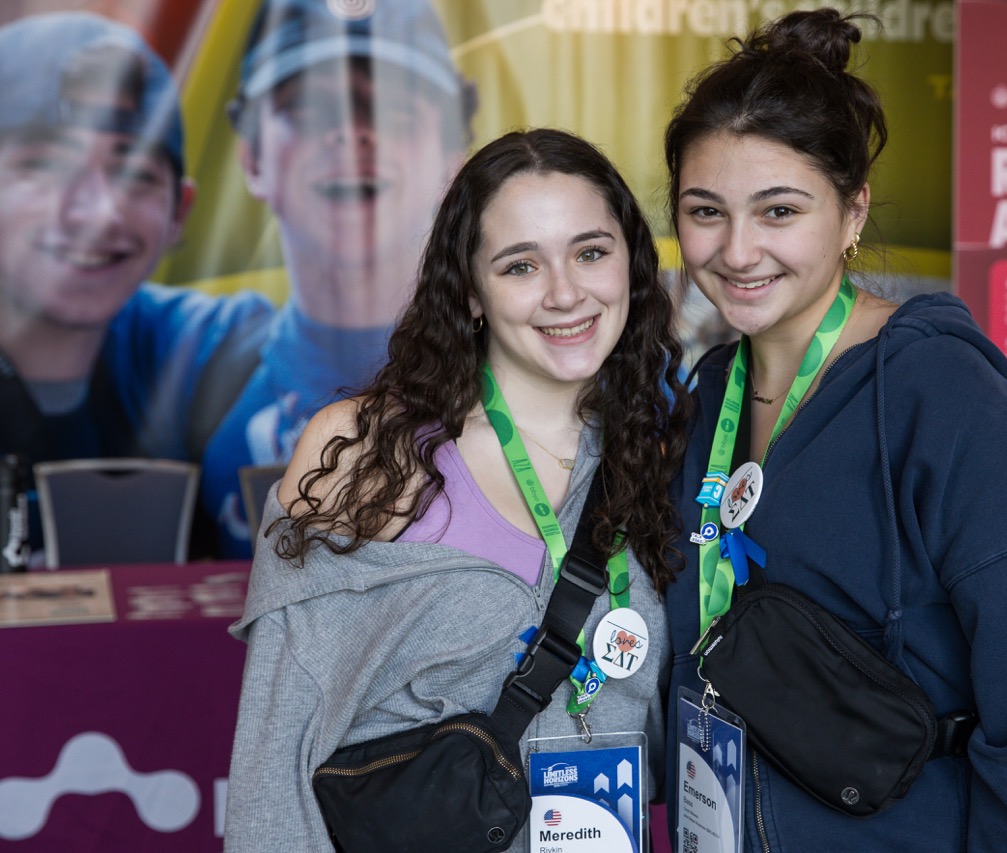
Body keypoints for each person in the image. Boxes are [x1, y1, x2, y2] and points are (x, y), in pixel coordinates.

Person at [661, 9, 1007, 850]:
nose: (738, 250)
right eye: (705, 210)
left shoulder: (939, 393)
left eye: (779, 211)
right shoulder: (708, 396)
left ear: (852, 213)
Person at [224, 128, 691, 850]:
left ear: (630, 264)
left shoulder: (653, 458)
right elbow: (275, 752)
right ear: (471, 291)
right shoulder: (369, 453)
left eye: (591, 252)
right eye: (520, 265)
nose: (565, 292)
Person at [200, 0, 477, 557]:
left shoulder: (525, 361)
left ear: (453, 151)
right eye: (310, 109)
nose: (351, 134)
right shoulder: (199, 374)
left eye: (394, 108)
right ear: (252, 156)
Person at [0, 12, 270, 558]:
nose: (100, 212)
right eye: (45, 166)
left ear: (179, 213)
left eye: (137, 174)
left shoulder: (208, 348)